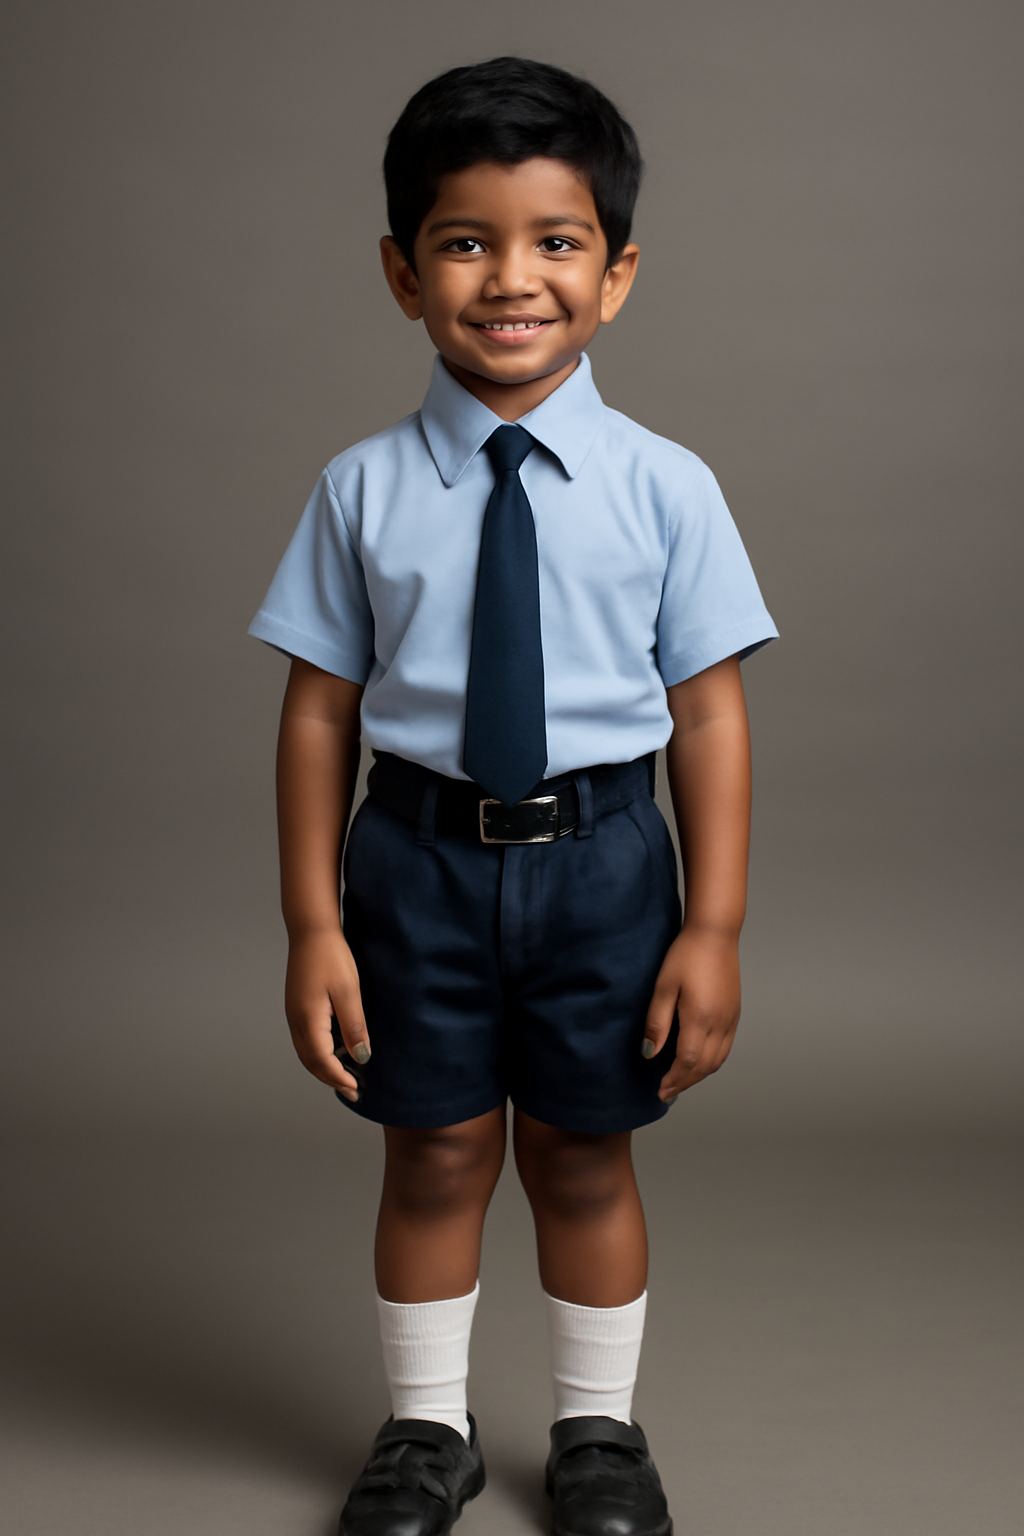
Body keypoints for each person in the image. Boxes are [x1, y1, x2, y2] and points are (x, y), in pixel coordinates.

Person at [249, 55, 776, 1536]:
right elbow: (318, 713)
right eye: (464, 240)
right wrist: (310, 927)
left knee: (582, 1150)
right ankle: (428, 1431)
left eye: (554, 242)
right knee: (438, 1148)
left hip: (607, 862)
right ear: (403, 274)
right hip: (411, 866)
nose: (510, 278)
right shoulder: (361, 489)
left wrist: (715, 925)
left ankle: (599, 1432)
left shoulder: (669, 486)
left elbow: (709, 714)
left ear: (615, 275)